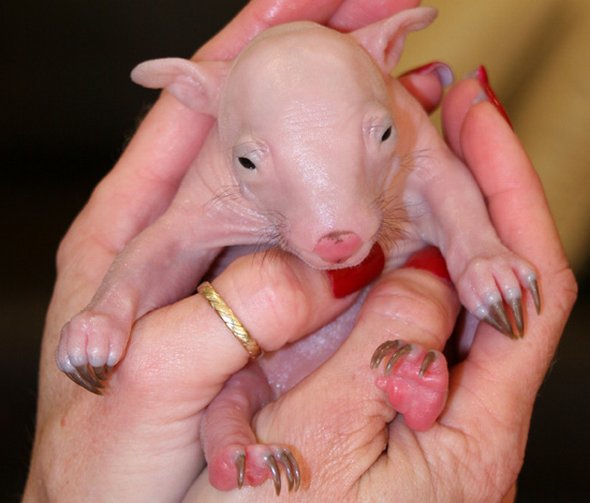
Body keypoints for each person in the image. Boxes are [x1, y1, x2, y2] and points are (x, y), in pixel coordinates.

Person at [23, 0, 577, 501]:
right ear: (205, 98)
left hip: (379, 325)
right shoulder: (213, 162)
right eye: (250, 163)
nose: (336, 229)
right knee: (234, 395)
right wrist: (110, 307)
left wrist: (478, 252)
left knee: (424, 333)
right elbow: (164, 244)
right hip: (263, 366)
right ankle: (237, 448)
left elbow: (444, 188)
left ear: (382, 57)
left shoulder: (401, 114)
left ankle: (406, 384)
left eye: (379, 134)